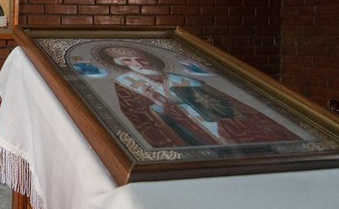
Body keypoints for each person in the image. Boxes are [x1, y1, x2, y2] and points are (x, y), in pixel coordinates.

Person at [94, 45, 300, 148]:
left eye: (138, 58)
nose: (138, 63)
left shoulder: (182, 79)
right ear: (122, 65)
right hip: (190, 134)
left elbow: (230, 105)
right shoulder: (126, 83)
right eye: (128, 61)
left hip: (229, 129)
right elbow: (135, 115)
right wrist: (160, 109)